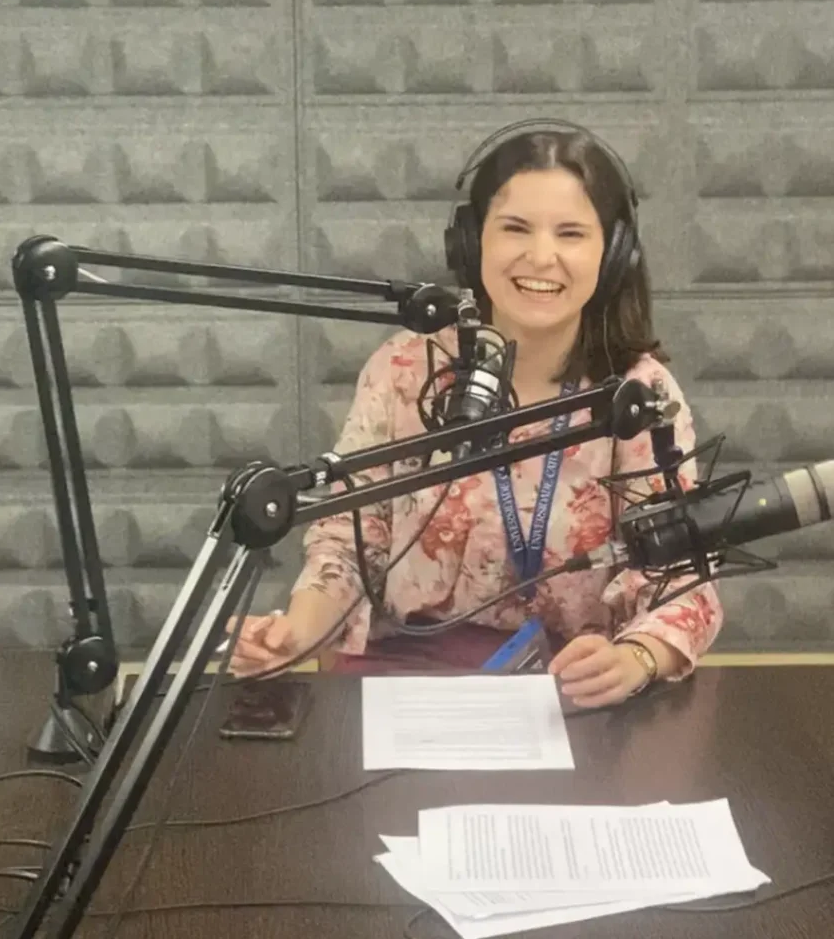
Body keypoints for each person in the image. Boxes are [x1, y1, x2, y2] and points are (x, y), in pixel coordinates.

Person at [230, 123, 723, 707]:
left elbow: (682, 574)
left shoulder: (639, 396)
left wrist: (637, 657)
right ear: (471, 242)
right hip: (405, 681)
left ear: (613, 255)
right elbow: (348, 544)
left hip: (572, 688)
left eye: (571, 233)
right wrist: (296, 632)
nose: (541, 257)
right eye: (515, 228)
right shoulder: (405, 369)